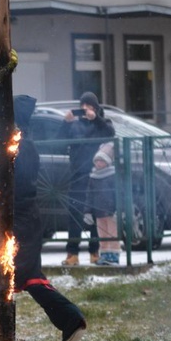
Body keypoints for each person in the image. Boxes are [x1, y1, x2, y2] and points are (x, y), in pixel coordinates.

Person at [0, 95, 87, 341]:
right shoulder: (15, 145)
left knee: (5, 276)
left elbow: (12, 186)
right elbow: (0, 179)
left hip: (19, 225)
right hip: (16, 222)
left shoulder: (21, 147)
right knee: (0, 277)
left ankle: (71, 320)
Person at [57, 92, 115, 266]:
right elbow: (59, 143)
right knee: (74, 215)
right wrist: (65, 124)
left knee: (96, 215)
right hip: (77, 176)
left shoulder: (102, 123)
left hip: (97, 178)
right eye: (82, 107)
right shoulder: (74, 125)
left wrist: (95, 118)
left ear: (96, 108)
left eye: (88, 106)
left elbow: (110, 133)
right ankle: (72, 253)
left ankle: (95, 252)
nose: (84, 110)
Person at [85, 142, 121, 265]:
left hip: (111, 212)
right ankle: (105, 255)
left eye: (101, 161)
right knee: (102, 235)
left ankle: (114, 255)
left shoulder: (112, 176)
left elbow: (118, 193)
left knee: (113, 234)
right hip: (98, 212)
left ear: (107, 162)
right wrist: (88, 212)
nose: (98, 163)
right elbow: (89, 195)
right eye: (97, 161)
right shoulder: (93, 177)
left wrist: (118, 209)